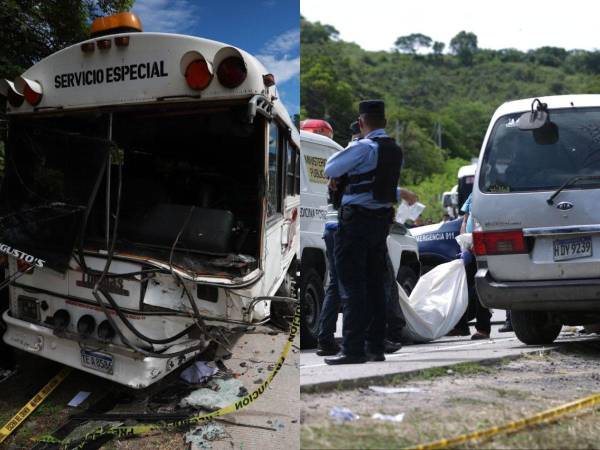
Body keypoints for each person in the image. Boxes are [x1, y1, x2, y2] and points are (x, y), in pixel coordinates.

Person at [316, 122, 411, 356]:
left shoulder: (351, 158)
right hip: (351, 224)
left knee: (342, 287)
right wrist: (402, 193)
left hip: (342, 225)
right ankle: (365, 343)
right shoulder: (360, 154)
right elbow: (370, 187)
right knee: (364, 286)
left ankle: (338, 341)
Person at [457, 192, 492, 340]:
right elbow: (465, 220)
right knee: (463, 286)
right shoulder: (472, 195)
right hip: (470, 246)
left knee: (480, 286)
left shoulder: (492, 194)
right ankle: (460, 326)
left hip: (485, 246)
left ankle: (483, 328)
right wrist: (465, 242)